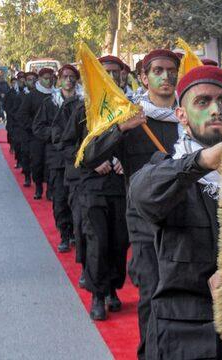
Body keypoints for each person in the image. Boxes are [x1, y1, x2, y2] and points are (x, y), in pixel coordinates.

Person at [129, 65, 222, 359]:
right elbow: (142, 195)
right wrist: (199, 162)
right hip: (186, 333)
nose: (216, 110)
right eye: (203, 102)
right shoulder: (167, 169)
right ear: (181, 115)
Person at [80, 50, 180, 355]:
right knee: (152, 294)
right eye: (158, 71)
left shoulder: (191, 115)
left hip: (187, 220)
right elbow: (89, 157)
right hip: (145, 223)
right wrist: (121, 128)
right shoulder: (131, 117)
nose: (166, 77)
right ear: (144, 77)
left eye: (172, 70)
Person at [63, 55, 146, 321]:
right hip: (92, 188)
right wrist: (93, 163)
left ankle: (112, 288)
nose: (111, 77)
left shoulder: (131, 108)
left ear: (123, 75)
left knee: (120, 242)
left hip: (121, 187)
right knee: (97, 241)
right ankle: (98, 295)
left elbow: (138, 146)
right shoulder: (83, 109)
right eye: (105, 72)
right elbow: (66, 146)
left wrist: (125, 160)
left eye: (116, 72)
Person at [33, 64, 82, 253]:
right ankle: (65, 234)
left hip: (77, 158)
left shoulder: (82, 102)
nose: (68, 80)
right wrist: (54, 135)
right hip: (57, 159)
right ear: (59, 79)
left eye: (72, 77)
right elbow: (38, 127)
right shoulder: (50, 103)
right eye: (65, 76)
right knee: (60, 199)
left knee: (76, 200)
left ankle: (78, 235)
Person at [17, 68, 53, 199]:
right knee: (37, 163)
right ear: (40, 79)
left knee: (50, 163)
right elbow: (22, 115)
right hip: (35, 137)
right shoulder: (32, 95)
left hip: (51, 137)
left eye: (51, 78)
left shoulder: (55, 94)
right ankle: (38, 187)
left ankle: (50, 189)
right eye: (46, 78)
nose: (49, 81)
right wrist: (33, 127)